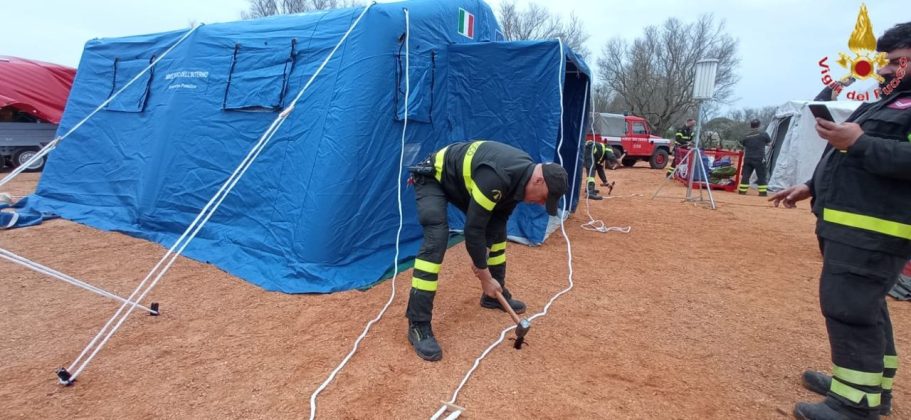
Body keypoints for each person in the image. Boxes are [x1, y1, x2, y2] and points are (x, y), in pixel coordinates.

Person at [770, 22, 911, 420]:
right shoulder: (890, 100)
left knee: (850, 307)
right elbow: (845, 153)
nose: (886, 70)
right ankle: (869, 387)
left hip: (876, 227)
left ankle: (855, 405)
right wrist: (810, 185)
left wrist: (860, 142)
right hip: (852, 224)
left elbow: (870, 150)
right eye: (886, 62)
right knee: (866, 305)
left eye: (898, 62)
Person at [406, 140, 568, 361]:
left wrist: (485, 252)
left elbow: (498, 218)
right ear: (538, 180)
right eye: (544, 197)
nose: (541, 204)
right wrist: (483, 275)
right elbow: (473, 230)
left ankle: (493, 296)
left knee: (499, 232)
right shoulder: (499, 176)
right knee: (436, 238)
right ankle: (418, 325)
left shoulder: (521, 177)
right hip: (433, 178)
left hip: (463, 184)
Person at [737, 119, 772, 196]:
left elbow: (741, 144)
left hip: (748, 158)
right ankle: (762, 193)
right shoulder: (764, 134)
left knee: (746, 175)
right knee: (761, 175)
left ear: (751, 125)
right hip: (759, 158)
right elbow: (770, 144)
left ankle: (742, 191)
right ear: (759, 125)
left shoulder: (746, 135)